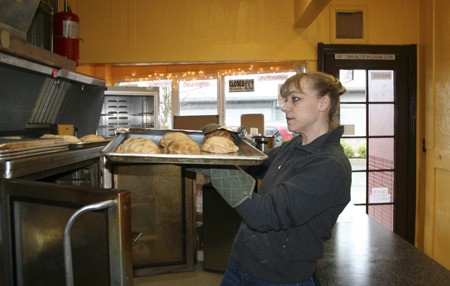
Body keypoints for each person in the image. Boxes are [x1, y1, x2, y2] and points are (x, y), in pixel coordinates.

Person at [192, 71, 351, 285]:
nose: (285, 107)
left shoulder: (330, 166)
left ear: (323, 103)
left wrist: (214, 166)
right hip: (240, 263)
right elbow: (255, 166)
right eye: (285, 100)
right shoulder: (294, 146)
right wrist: (227, 141)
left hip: (278, 278)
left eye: (295, 99)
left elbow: (263, 214)